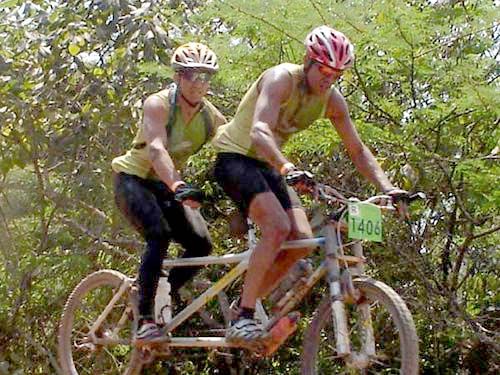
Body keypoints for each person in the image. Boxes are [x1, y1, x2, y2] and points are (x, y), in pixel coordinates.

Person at [212, 25, 409, 345]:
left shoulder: (332, 100)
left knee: (302, 240)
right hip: (235, 158)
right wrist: (288, 167)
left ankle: (243, 307)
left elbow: (357, 150)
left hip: (268, 165)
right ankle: (245, 318)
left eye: (337, 74)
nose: (329, 79)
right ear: (308, 60)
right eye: (325, 70)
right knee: (276, 228)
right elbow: (259, 131)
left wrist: (389, 188)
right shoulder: (281, 79)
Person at [112, 42, 226, 345]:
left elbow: (234, 145)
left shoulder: (210, 117)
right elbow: (157, 148)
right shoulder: (158, 104)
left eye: (205, 76)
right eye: (191, 76)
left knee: (201, 246)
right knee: (158, 234)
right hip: (133, 180)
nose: (198, 83)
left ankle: (164, 294)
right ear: (178, 76)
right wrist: (178, 186)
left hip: (165, 184)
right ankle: (145, 317)